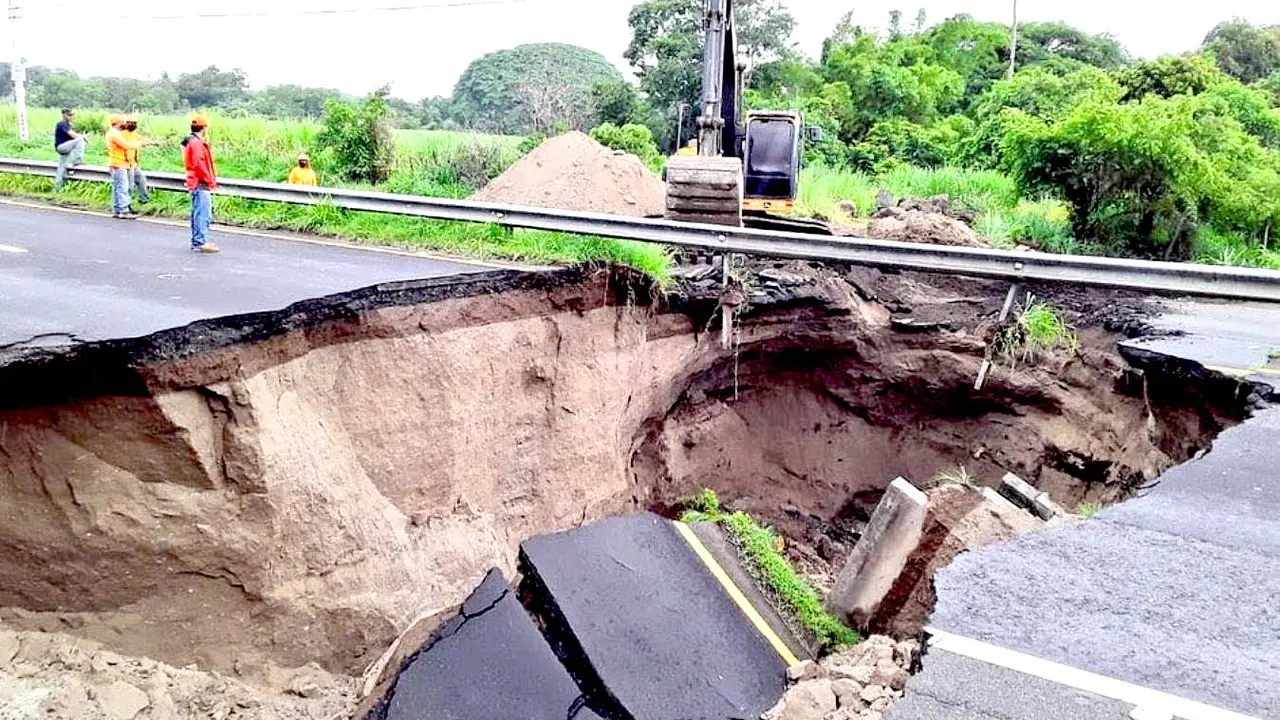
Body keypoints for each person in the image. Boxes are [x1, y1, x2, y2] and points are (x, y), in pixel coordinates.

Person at [182, 113, 220, 254]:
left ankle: (198, 240)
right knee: (203, 213)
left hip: (195, 181)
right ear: (204, 128)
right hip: (200, 182)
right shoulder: (197, 143)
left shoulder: (191, 142)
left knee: (198, 212)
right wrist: (209, 180)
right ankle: (200, 241)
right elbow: (200, 164)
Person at [104, 115, 141, 219]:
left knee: (117, 187)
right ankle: (124, 211)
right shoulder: (114, 134)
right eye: (122, 122)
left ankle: (117, 209)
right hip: (118, 163)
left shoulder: (114, 133)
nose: (125, 124)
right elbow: (126, 145)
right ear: (117, 123)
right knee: (122, 187)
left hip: (118, 163)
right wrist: (139, 144)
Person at [53, 108, 87, 190]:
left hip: (64, 146)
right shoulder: (62, 124)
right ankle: (77, 160)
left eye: (72, 115)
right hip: (62, 147)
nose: (72, 117)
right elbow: (73, 136)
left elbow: (73, 136)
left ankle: (57, 187)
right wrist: (83, 137)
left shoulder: (68, 125)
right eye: (70, 115)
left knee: (62, 166)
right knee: (80, 140)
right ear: (64, 115)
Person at [123, 115, 150, 205]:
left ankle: (143, 199)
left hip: (133, 164)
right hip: (126, 164)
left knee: (142, 180)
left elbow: (142, 142)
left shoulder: (134, 134)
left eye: (134, 123)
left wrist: (153, 143)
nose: (132, 125)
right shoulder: (122, 134)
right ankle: (127, 205)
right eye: (130, 123)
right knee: (129, 186)